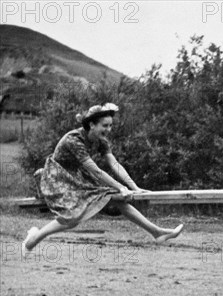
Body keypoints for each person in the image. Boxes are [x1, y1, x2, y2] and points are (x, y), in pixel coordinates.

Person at [22, 103, 183, 256]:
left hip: (76, 177)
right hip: (56, 177)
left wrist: (134, 187)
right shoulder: (74, 140)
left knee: (118, 200)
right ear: (92, 125)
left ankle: (157, 233)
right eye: (105, 125)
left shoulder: (101, 141)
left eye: (110, 125)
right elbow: (97, 172)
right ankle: (34, 239)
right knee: (73, 216)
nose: (109, 129)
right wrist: (121, 187)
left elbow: (114, 164)